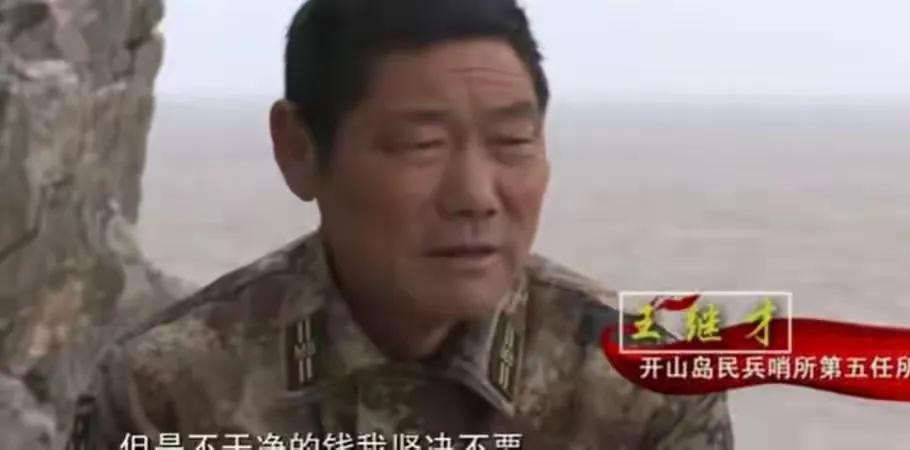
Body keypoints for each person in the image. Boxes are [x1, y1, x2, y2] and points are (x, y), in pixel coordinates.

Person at [70, 0, 734, 448]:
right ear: (299, 150)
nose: (475, 197)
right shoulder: (169, 393)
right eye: (421, 146)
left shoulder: (648, 386)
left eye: (511, 142)